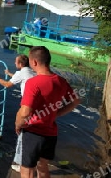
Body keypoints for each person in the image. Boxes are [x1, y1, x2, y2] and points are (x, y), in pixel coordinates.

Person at [15, 46, 81, 178]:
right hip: (51, 133)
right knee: (43, 166)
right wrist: (58, 113)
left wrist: (18, 124)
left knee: (26, 170)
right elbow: (75, 101)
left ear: (34, 62)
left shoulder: (33, 83)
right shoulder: (61, 81)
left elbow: (25, 112)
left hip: (33, 132)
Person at [0, 54, 36, 173]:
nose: (14, 63)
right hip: (37, 107)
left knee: (21, 133)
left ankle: (19, 163)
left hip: (27, 106)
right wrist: (9, 74)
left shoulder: (20, 73)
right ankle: (31, 158)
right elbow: (20, 78)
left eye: (16, 61)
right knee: (29, 133)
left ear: (20, 64)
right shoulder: (31, 72)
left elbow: (7, 85)